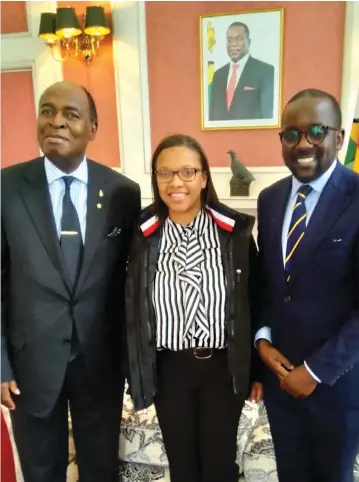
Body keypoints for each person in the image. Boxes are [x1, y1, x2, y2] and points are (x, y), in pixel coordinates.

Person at [1, 81, 141, 482]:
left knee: (100, 470)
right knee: (41, 470)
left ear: (93, 129)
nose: (56, 122)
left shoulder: (122, 192)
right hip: (31, 365)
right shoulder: (6, 188)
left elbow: (131, 284)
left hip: (100, 361)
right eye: (47, 111)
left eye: (70, 114)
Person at [125, 134, 263, 482]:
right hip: (168, 370)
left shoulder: (234, 234)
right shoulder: (142, 236)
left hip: (222, 368)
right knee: (182, 465)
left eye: (187, 172)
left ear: (204, 178)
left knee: (218, 466)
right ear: (155, 180)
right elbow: (126, 303)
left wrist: (257, 369)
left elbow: (257, 300)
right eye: (165, 173)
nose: (176, 183)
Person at [256, 88, 359, 482]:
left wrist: (314, 371)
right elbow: (270, 283)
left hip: (337, 386)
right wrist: (262, 340)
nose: (303, 144)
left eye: (317, 131)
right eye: (291, 134)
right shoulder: (270, 199)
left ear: (339, 137)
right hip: (281, 385)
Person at [209, 21, 274, 121]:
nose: (233, 44)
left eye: (239, 39)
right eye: (229, 40)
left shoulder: (265, 71)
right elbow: (212, 117)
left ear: (249, 42)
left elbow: (267, 116)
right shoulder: (218, 75)